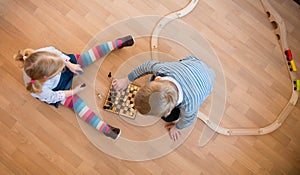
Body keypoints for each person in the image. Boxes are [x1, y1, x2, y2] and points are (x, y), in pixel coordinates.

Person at [15, 35, 135, 140]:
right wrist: (73, 91)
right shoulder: (39, 89)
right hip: (57, 90)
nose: (61, 69)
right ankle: (106, 129)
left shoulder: (44, 54)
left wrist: (69, 64)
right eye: (58, 70)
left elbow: (57, 54)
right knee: (76, 104)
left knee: (85, 58)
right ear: (47, 77)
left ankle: (117, 43)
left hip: (62, 64)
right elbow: (55, 96)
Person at [113, 56, 215, 141]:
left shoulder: (190, 106)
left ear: (169, 111)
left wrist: (177, 127)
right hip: (194, 63)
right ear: (158, 79)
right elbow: (146, 66)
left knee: (170, 119)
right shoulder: (162, 69)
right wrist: (126, 80)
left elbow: (188, 120)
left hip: (207, 83)